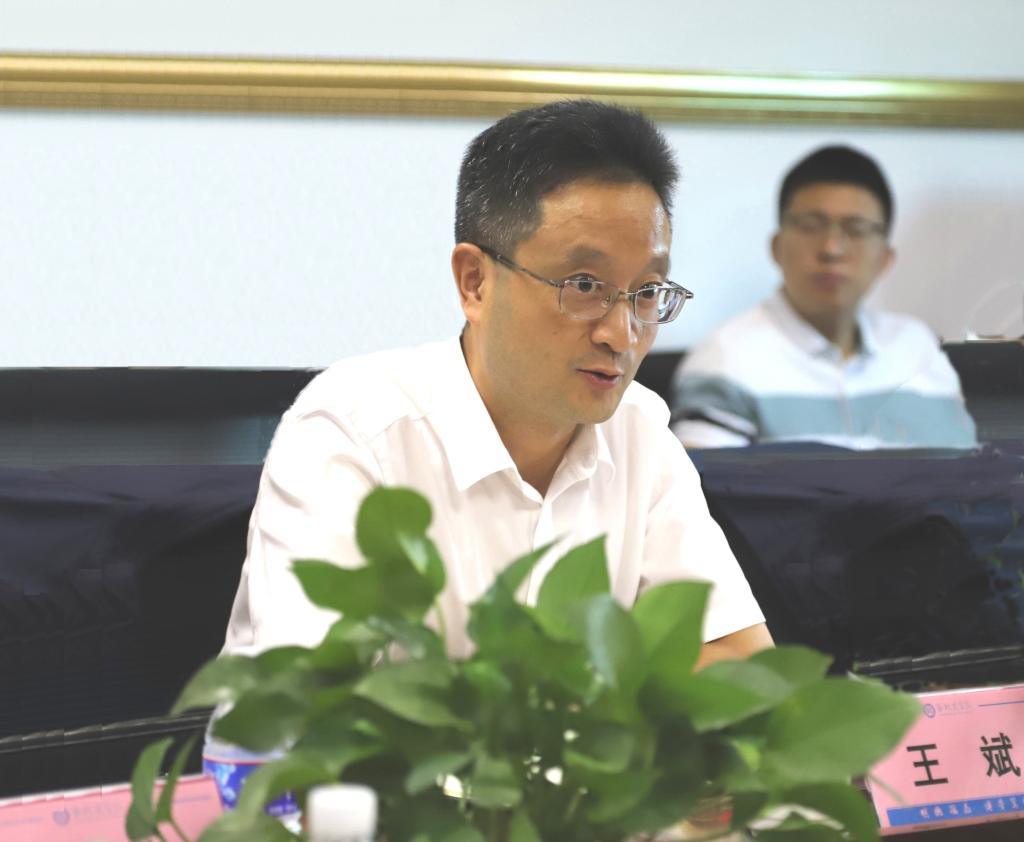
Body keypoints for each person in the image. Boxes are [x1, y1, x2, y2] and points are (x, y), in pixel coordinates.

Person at [223, 100, 770, 665]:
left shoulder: (640, 433)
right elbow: (308, 695)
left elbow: (738, 659)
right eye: (585, 285)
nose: (622, 334)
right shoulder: (353, 433)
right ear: (475, 282)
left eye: (648, 292)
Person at [672, 145, 977, 450]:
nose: (832, 248)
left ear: (885, 258)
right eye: (810, 226)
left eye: (856, 229)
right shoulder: (724, 361)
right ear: (777, 247)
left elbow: (968, 471)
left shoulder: (917, 348)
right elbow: (701, 480)